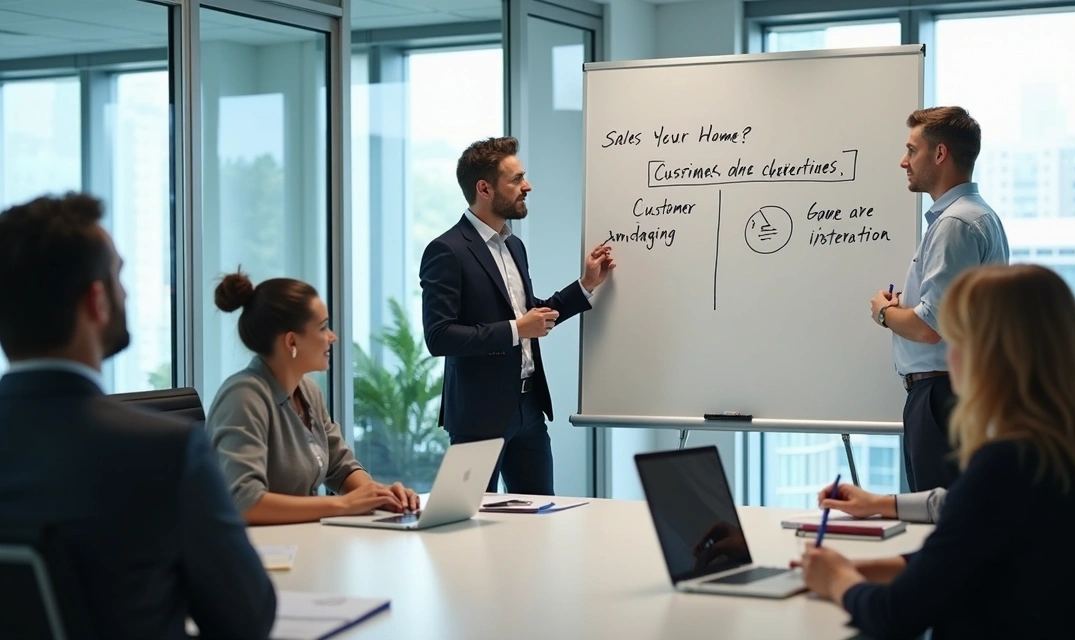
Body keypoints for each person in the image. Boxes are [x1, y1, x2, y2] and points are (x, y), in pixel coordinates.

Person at [802, 264, 1075, 640]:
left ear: (995, 358)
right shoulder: (1071, 451)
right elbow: (960, 553)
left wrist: (838, 580)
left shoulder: (1010, 464)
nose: (950, 358)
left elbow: (894, 615)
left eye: (958, 342)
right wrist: (858, 567)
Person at [0, 194, 275, 639]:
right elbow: (247, 618)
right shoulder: (165, 451)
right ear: (96, 302)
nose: (125, 291)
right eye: (118, 276)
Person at [419, 136, 615, 495]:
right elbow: (440, 336)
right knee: (468, 526)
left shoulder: (513, 245)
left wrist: (585, 284)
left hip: (529, 410)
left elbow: (530, 314)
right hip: (478, 418)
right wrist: (515, 329)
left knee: (541, 520)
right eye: (516, 179)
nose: (528, 186)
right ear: (485, 188)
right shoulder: (446, 251)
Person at [206, 271, 420, 525]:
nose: (332, 337)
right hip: (251, 552)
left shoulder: (307, 391)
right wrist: (342, 505)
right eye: (322, 328)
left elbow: (340, 467)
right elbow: (244, 502)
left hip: (298, 543)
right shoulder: (243, 397)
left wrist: (379, 495)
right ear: (291, 341)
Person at [871, 106, 1009, 493]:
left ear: (940, 154)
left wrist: (884, 312)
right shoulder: (980, 217)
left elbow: (931, 326)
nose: (904, 161)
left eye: (911, 150)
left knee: (937, 527)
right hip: (954, 395)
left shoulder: (954, 225)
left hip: (940, 401)